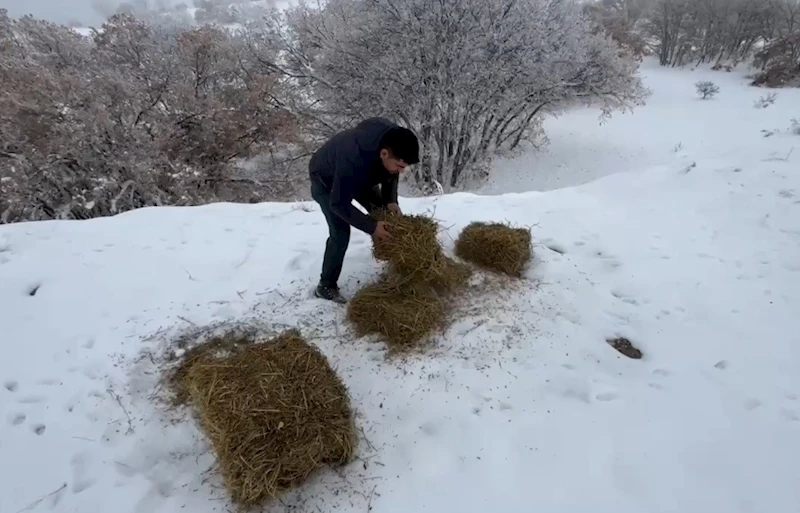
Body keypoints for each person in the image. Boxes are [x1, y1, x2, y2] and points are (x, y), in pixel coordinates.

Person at [308, 117, 420, 303]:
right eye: (401, 167)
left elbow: (391, 172)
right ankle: (325, 286)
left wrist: (390, 200)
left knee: (383, 211)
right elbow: (338, 203)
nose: (401, 171)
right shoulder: (352, 158)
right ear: (384, 154)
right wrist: (372, 227)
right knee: (341, 231)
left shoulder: (392, 137)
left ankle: (396, 262)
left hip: (364, 173)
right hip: (326, 181)